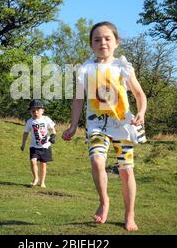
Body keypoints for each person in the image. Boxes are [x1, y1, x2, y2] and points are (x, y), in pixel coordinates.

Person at [62, 21, 147, 231]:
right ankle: (104, 200)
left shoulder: (123, 67)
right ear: (91, 44)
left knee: (126, 171)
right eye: (97, 39)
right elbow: (79, 100)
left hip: (123, 125)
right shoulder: (86, 69)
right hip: (97, 125)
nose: (103, 43)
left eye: (108, 38)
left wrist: (142, 113)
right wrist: (73, 125)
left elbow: (139, 94)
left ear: (116, 42)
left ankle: (129, 215)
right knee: (97, 160)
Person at [21, 99, 57, 189]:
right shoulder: (30, 122)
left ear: (42, 111)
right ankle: (36, 178)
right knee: (33, 161)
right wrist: (23, 144)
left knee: (43, 164)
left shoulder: (46, 119)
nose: (35, 112)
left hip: (45, 146)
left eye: (38, 110)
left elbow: (52, 129)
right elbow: (25, 133)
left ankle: (42, 182)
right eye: (33, 111)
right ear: (30, 112)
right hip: (34, 146)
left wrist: (53, 136)